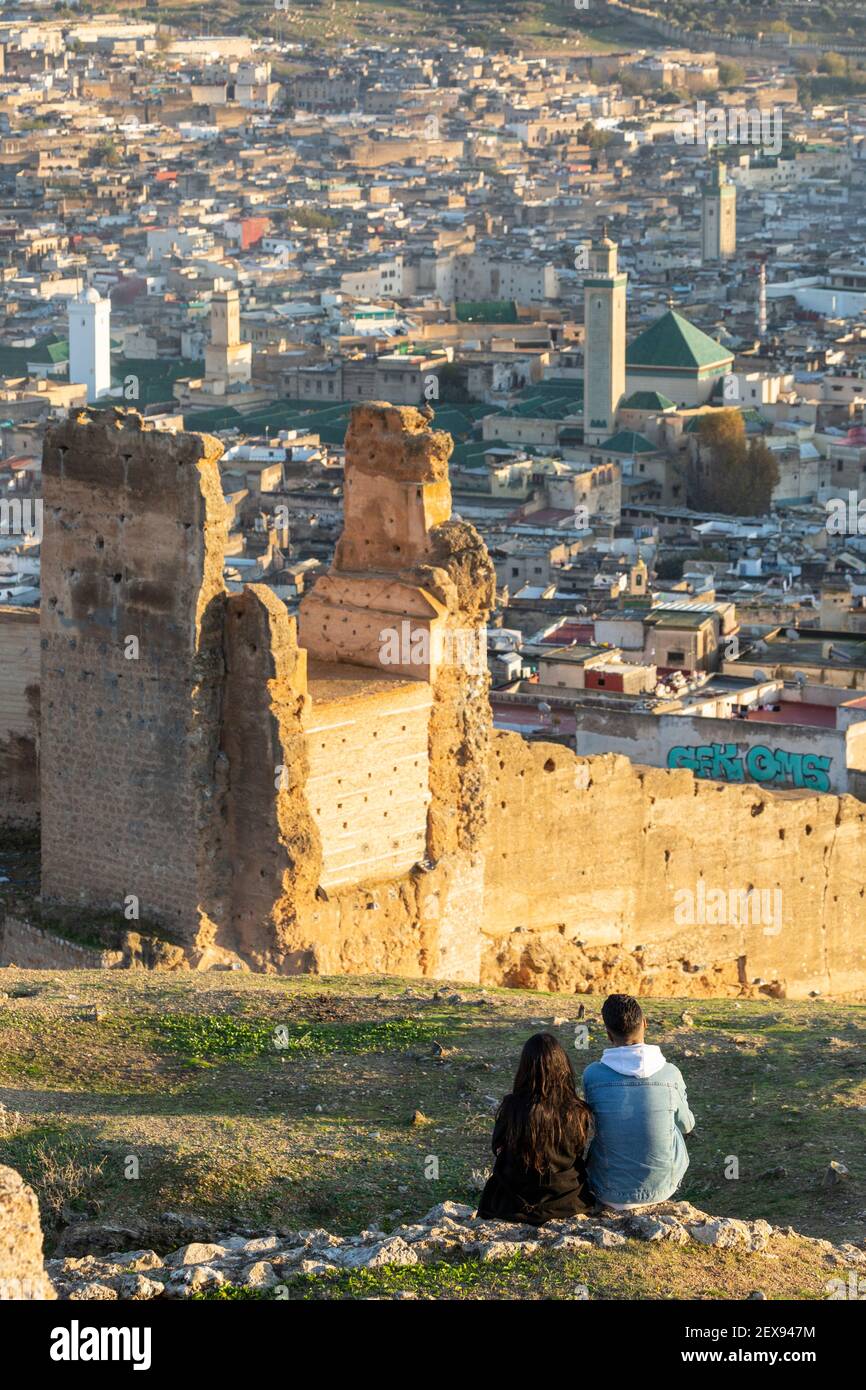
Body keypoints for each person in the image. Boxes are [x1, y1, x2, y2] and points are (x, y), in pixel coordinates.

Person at [582, 993, 695, 1211]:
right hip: (662, 1188)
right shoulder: (670, 1073)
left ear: (608, 1034)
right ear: (645, 1023)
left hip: (607, 1189)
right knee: (673, 1127)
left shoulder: (592, 1075)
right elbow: (686, 1125)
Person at [478, 1032, 595, 1226]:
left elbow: (498, 1149)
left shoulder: (512, 1106)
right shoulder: (577, 1110)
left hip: (513, 1201)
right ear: (563, 1066)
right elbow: (577, 1152)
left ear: (524, 1068)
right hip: (566, 1199)